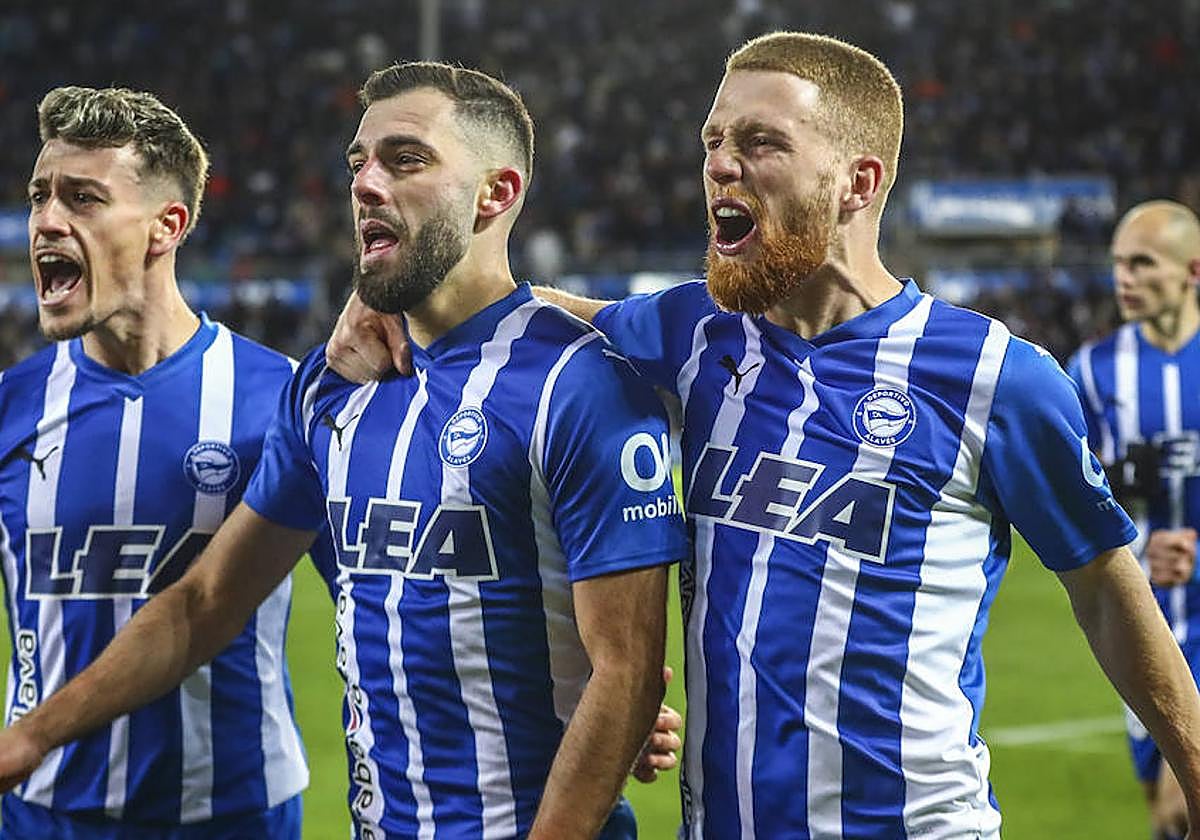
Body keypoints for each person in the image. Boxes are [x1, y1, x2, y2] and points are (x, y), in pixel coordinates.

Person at [327, 33, 1200, 838]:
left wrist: (1194, 767)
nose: (720, 168)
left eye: (760, 143)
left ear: (858, 182)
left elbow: (1102, 588)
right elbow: (510, 311)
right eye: (712, 142)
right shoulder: (690, 336)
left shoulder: (994, 378)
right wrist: (380, 292)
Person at [0, 63, 688, 840]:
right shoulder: (332, 386)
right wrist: (30, 737)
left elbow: (624, 671)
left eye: (405, 159)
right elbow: (203, 604)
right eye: (357, 161)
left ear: (496, 194)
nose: (364, 182)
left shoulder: (582, 383)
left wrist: (615, 714)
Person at [0, 87, 307, 837]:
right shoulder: (11, 405)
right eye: (40, 196)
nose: (45, 221)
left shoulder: (282, 398)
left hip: (231, 816)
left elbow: (396, 598)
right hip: (38, 814)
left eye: (82, 198)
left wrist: (578, 696)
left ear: (166, 226)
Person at [1068, 200, 1200, 840]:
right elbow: (1078, 506)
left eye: (1143, 264)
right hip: (1145, 627)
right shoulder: (1092, 373)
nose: (1124, 278)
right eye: (1118, 264)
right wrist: (1143, 542)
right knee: (1164, 817)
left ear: (1191, 271)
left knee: (1184, 805)